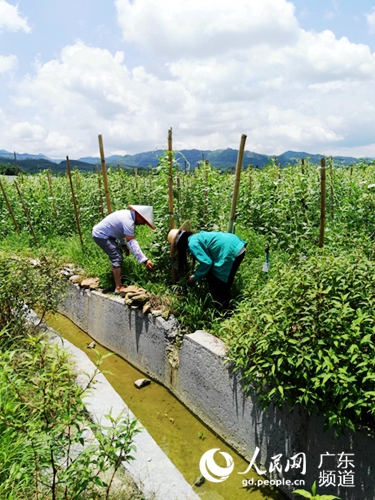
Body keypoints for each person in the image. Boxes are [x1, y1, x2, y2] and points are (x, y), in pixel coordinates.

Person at [168, 220, 246, 309]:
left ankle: (223, 310)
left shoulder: (192, 244)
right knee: (222, 283)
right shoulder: (196, 237)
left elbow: (207, 263)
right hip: (237, 244)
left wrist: (195, 277)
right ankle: (228, 307)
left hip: (230, 251)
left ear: (180, 245)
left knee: (218, 283)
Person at [92, 205, 155, 294]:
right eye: (144, 221)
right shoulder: (128, 220)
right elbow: (132, 242)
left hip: (105, 234)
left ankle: (115, 280)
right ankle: (118, 287)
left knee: (117, 254)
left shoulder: (127, 215)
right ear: (139, 216)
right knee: (117, 257)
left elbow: (120, 232)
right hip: (101, 235)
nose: (143, 223)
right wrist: (145, 260)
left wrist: (124, 246)